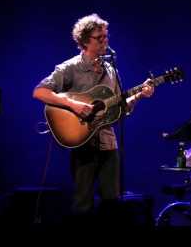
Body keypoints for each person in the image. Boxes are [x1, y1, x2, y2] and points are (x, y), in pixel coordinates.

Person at [33, 13, 154, 218]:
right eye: (100, 38)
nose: (105, 41)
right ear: (84, 41)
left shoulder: (111, 69)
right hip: (82, 142)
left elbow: (119, 108)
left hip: (108, 143)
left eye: (106, 36)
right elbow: (40, 92)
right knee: (83, 204)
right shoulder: (70, 67)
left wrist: (139, 95)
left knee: (112, 202)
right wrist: (73, 104)